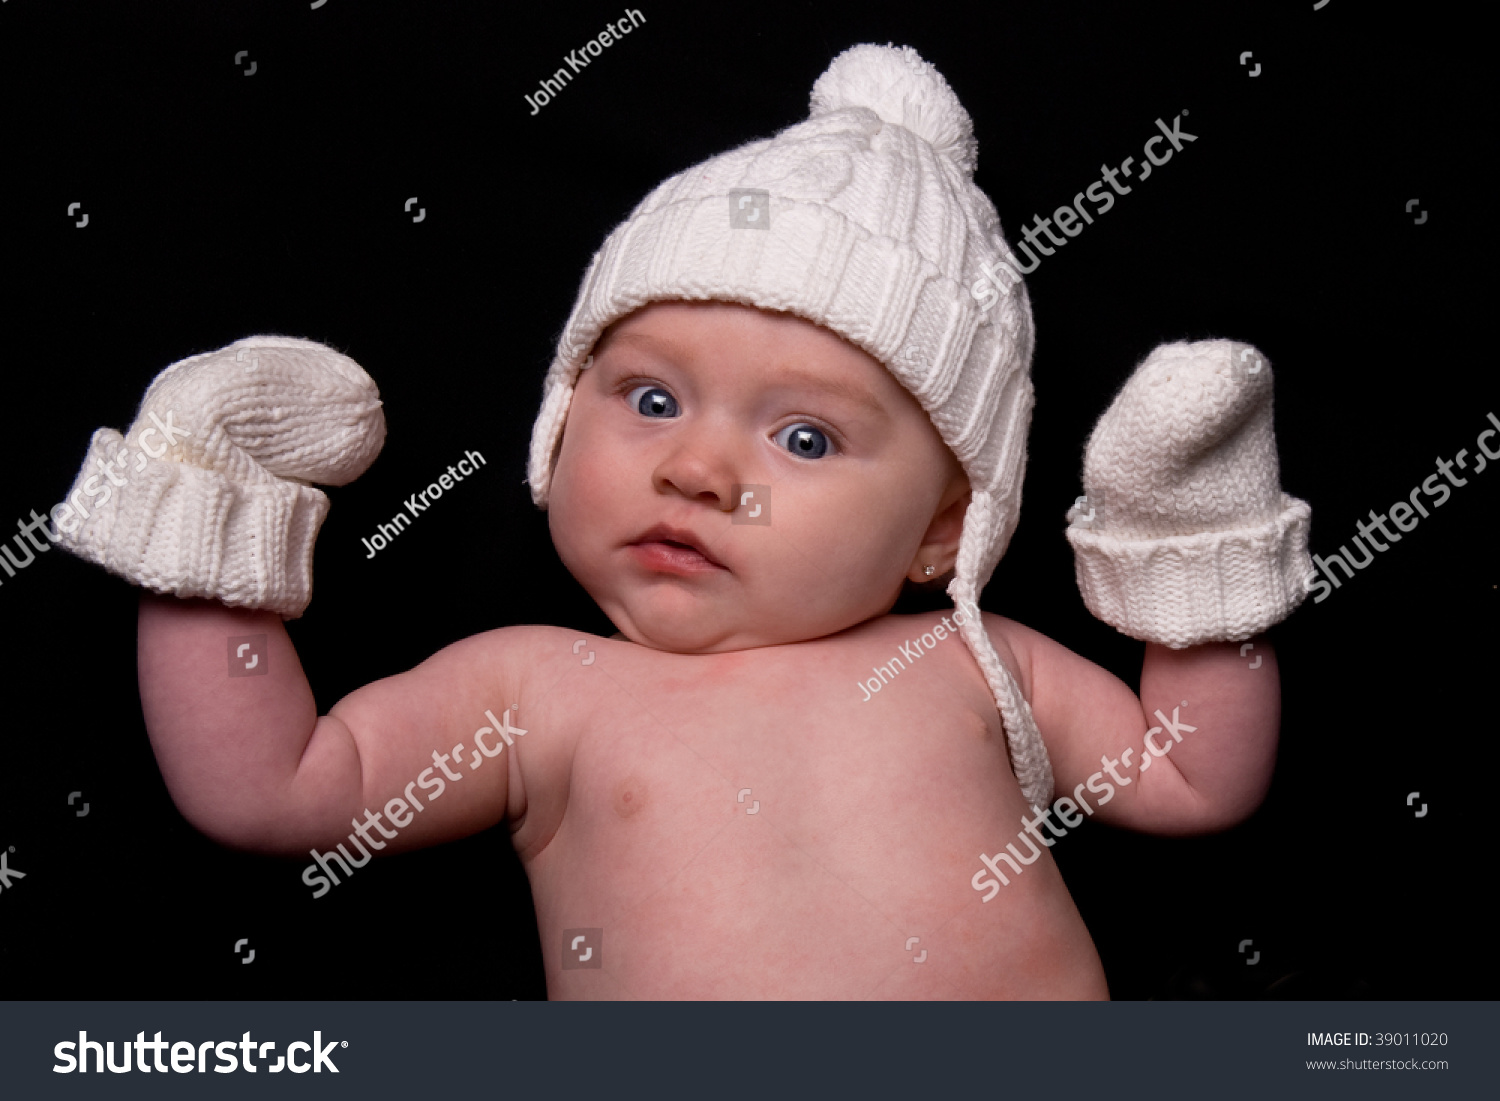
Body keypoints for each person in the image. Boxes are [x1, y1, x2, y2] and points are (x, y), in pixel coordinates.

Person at [52, 44, 1312, 999]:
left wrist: (1189, 543)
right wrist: (204, 527)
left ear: (945, 531)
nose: (700, 470)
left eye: (804, 437)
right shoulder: (534, 688)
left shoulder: (977, 661)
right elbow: (275, 793)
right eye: (649, 398)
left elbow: (1197, 779)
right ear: (559, 424)